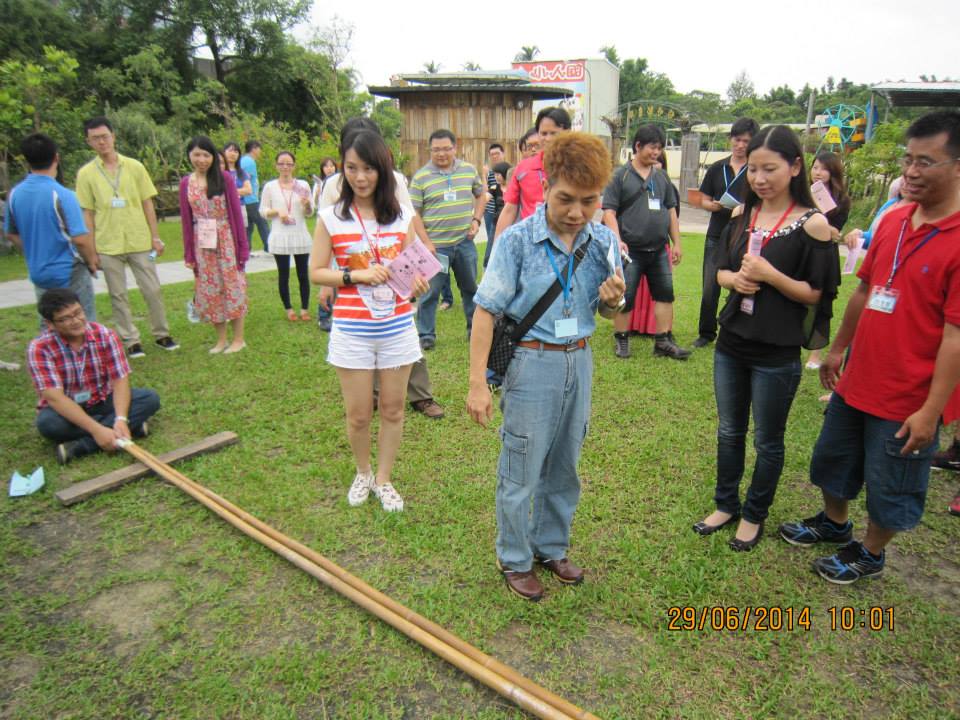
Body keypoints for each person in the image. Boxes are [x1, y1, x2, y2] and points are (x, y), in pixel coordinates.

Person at [779, 111, 960, 583]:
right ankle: (835, 524)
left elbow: (956, 337)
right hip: (859, 376)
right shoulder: (896, 218)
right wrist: (837, 349)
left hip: (909, 395)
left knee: (892, 480)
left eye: (927, 161)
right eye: (908, 159)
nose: (912, 171)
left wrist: (932, 410)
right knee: (832, 459)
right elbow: (864, 291)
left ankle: (872, 552)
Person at [467, 132, 627, 601]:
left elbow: (610, 310)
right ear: (547, 186)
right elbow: (485, 310)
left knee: (565, 466)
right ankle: (514, 557)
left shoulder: (602, 241)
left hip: (579, 360)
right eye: (565, 199)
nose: (577, 212)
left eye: (589, 201)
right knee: (521, 468)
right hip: (531, 365)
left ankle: (551, 546)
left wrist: (612, 301)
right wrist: (477, 382)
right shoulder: (516, 241)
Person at [693, 125, 838, 552]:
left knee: (767, 441)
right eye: (753, 169)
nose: (758, 178)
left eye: (769, 168)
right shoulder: (742, 217)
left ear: (795, 167)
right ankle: (725, 505)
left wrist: (771, 276)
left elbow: (819, 293)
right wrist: (735, 278)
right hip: (732, 342)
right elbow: (719, 271)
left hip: (776, 352)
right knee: (729, 431)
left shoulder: (813, 226)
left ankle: (754, 515)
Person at [309, 129, 430, 512]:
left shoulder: (402, 215)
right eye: (351, 168)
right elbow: (316, 271)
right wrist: (354, 275)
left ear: (383, 169)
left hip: (396, 330)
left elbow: (415, 263)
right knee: (359, 414)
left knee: (393, 409)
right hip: (352, 332)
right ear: (343, 170)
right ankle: (362, 472)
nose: (360, 177)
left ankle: (384, 479)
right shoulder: (331, 217)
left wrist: (418, 281)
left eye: (368, 169)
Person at [318, 118, 445, 420]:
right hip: (355, 278)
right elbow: (330, 239)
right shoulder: (333, 186)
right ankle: (371, 398)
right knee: (362, 341)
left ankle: (421, 396)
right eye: (353, 163)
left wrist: (424, 246)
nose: (361, 173)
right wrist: (329, 283)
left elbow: (409, 219)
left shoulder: (396, 180)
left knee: (402, 339)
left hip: (394, 279)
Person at [75, 116, 178, 358]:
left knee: (152, 289)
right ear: (88, 142)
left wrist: (155, 236)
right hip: (107, 243)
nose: (102, 142)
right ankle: (131, 340)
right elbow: (87, 213)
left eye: (105, 136)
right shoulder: (86, 174)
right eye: (95, 138)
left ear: (114, 136)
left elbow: (147, 203)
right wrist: (91, 249)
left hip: (139, 239)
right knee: (117, 294)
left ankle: (162, 333)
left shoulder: (134, 167)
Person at [27, 288, 160, 464]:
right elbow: (55, 398)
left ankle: (83, 445)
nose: (75, 321)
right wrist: (97, 429)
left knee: (149, 399)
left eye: (78, 313)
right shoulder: (39, 348)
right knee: (49, 424)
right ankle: (126, 429)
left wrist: (120, 418)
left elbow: (120, 379)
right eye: (65, 318)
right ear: (50, 324)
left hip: (103, 400)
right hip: (67, 408)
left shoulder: (105, 334)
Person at [602, 124, 689, 360]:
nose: (656, 152)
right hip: (631, 250)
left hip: (659, 249)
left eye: (659, 148)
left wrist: (677, 243)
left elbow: (671, 211)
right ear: (638, 146)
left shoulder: (661, 177)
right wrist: (617, 240)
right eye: (652, 147)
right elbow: (609, 211)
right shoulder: (620, 176)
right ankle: (621, 339)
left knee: (665, 294)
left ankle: (663, 341)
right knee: (625, 296)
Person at [4, 133, 99, 320]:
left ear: (27, 160)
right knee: (82, 322)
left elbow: (11, 234)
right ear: (56, 157)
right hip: (70, 271)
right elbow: (80, 238)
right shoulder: (63, 195)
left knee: (50, 321)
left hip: (39, 271)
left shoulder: (14, 195)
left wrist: (34, 252)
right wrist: (91, 261)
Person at [410, 129, 485, 350]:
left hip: (464, 242)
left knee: (471, 288)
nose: (441, 154)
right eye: (436, 150)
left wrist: (476, 220)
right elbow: (413, 212)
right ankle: (426, 335)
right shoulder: (421, 177)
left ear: (455, 147)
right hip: (435, 247)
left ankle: (474, 330)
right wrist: (426, 242)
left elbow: (481, 194)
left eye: (446, 149)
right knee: (430, 292)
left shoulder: (468, 170)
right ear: (429, 150)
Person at [179, 136, 249, 354]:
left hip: (226, 239)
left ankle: (238, 339)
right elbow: (186, 221)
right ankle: (221, 340)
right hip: (203, 243)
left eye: (206, 154)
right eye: (197, 154)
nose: (201, 159)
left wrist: (242, 247)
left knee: (233, 287)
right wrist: (189, 253)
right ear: (189, 155)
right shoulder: (185, 184)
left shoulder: (225, 179)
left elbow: (236, 214)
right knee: (210, 290)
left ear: (213, 157)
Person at [694, 118, 758, 348]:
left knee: (741, 283)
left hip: (744, 235)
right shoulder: (718, 167)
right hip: (716, 233)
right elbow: (704, 197)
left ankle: (733, 329)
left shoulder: (755, 170)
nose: (741, 145)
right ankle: (706, 332)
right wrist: (711, 205)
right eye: (737, 139)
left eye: (746, 141)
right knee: (710, 285)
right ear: (730, 140)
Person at [805, 151, 852, 370]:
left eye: (823, 168)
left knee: (821, 304)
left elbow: (835, 232)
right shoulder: (801, 193)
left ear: (833, 171)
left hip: (824, 255)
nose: (817, 172)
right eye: (815, 167)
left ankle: (815, 354)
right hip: (800, 250)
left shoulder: (842, 200)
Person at [495, 108, 570, 238]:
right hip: (531, 242)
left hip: (566, 240)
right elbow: (509, 210)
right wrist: (496, 248)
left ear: (568, 133)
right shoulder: (523, 168)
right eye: (544, 133)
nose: (548, 138)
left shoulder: (578, 167)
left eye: (554, 133)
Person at [260, 151, 315, 321]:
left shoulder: (302, 185)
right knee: (283, 274)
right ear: (276, 166)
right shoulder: (270, 186)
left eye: (289, 163)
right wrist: (277, 212)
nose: (285, 167)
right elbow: (263, 210)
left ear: (293, 166)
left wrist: (306, 205)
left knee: (302, 273)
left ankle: (304, 308)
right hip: (280, 235)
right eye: (282, 163)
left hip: (299, 234)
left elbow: (309, 213)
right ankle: (289, 309)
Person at [240, 140, 271, 254]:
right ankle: (269, 246)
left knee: (248, 226)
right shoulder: (249, 162)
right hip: (251, 199)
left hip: (245, 199)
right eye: (259, 149)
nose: (260, 152)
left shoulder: (243, 160)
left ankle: (246, 249)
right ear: (254, 148)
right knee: (262, 222)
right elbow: (246, 179)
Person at [482, 143, 506, 260]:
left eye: (497, 153)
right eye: (492, 154)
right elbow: (485, 192)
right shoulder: (489, 172)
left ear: (503, 154)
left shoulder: (509, 170)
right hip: (489, 211)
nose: (495, 156)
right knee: (491, 239)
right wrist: (484, 176)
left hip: (504, 211)